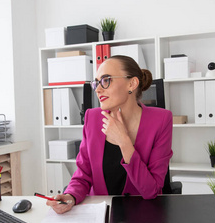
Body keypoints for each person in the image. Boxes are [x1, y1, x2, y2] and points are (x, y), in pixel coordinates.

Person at [47, 55, 173, 214]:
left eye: (106, 80)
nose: (98, 89)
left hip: (142, 214)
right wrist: (71, 196)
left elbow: (151, 191)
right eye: (97, 82)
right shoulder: (92, 118)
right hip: (100, 215)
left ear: (132, 83)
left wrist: (123, 141)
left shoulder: (161, 120)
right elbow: (83, 175)